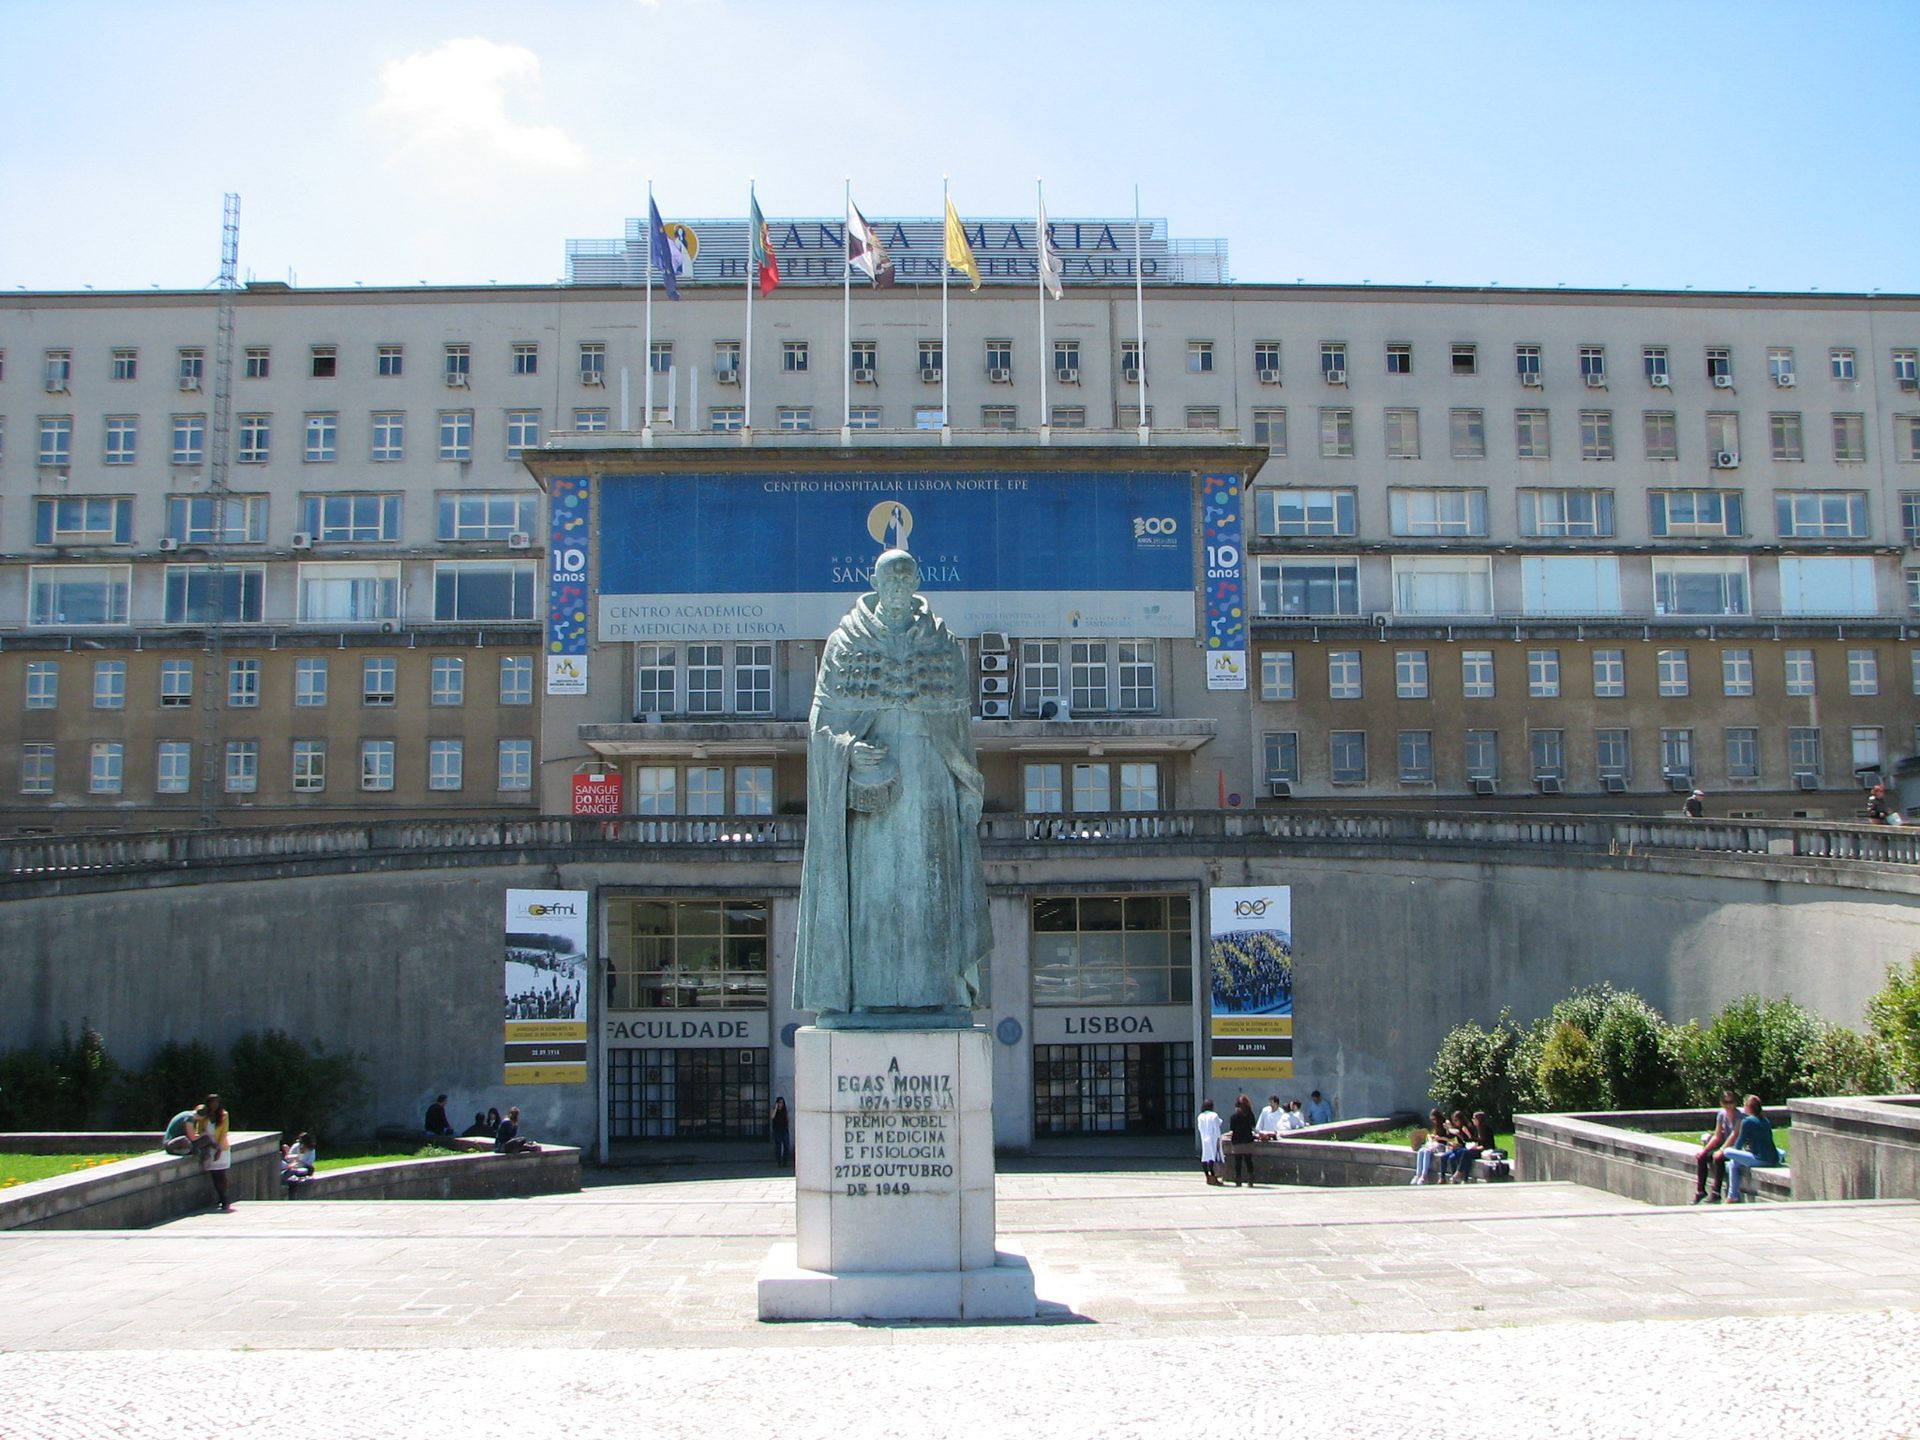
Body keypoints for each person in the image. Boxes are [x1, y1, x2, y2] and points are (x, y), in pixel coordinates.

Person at [793, 549, 990, 1027]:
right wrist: (847, 750)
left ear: (918, 583)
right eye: (891, 582)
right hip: (872, 792)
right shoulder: (845, 642)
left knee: (932, 892)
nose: (899, 590)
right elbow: (821, 724)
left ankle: (937, 992)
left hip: (932, 784)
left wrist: (965, 792)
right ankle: (864, 996)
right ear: (875, 584)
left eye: (907, 581)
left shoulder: (943, 645)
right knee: (873, 898)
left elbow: (959, 728)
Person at [1720, 1094, 1781, 1203]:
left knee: (1728, 1152)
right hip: (1773, 1158)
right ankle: (1732, 1196)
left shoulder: (1747, 1121)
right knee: (1734, 1163)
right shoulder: (1765, 1120)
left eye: (1744, 1105)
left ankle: (1732, 1196)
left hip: (1761, 1159)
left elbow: (1738, 1144)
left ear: (1748, 1107)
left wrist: (1731, 1150)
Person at [1693, 1090, 1741, 1204]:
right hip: (1724, 1146)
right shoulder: (1721, 1115)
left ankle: (1716, 1192)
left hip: (1735, 1148)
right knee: (1702, 1158)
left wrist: (1721, 1150)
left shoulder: (1740, 1116)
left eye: (1732, 1102)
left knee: (1718, 1158)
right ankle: (1700, 1191)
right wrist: (1704, 1151)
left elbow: (1735, 1135)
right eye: (1726, 1102)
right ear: (1721, 1103)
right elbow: (1717, 1136)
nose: (1729, 1105)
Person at [200, 1094, 233, 1213]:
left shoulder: (224, 1115)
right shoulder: (204, 1117)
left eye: (217, 1103)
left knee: (221, 1174)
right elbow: (201, 1131)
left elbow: (224, 1132)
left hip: (221, 1147)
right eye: (212, 1103)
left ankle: (225, 1199)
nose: (215, 1105)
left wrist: (219, 1149)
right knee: (214, 1175)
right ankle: (221, 1197)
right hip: (209, 1147)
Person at [1227, 1094, 1257, 1186]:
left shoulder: (1234, 1116)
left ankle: (1238, 1179)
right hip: (1248, 1140)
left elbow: (1232, 1128)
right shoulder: (1250, 1115)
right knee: (1248, 1160)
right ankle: (1251, 1179)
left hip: (1237, 1140)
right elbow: (1253, 1125)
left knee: (1238, 1161)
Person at [1195, 1100, 1225, 1187]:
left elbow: (1200, 1128)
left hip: (1204, 1138)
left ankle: (1207, 1176)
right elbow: (1216, 1128)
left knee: (1205, 1157)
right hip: (1213, 1138)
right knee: (1213, 1157)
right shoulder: (1214, 1115)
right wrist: (1219, 1139)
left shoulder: (1200, 1116)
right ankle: (1213, 1177)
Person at [770, 1097, 792, 1168]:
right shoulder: (774, 1109)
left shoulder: (785, 1110)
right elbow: (772, 1116)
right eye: (779, 1102)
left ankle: (785, 1162)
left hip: (784, 1129)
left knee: (786, 1146)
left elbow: (787, 1118)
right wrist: (776, 1108)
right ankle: (779, 1162)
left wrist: (787, 1126)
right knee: (778, 1147)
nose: (780, 1104)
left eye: (782, 1103)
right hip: (777, 1130)